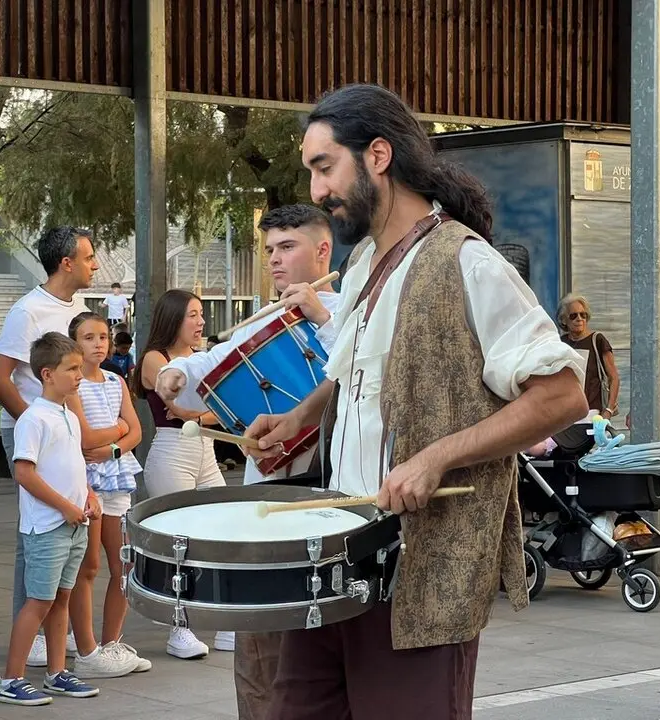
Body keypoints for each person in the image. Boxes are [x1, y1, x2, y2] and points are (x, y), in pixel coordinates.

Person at [241, 83, 588, 720]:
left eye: (325, 167)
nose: (317, 191)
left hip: (419, 571)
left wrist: (437, 458)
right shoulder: (365, 262)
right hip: (339, 555)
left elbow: (562, 395)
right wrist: (302, 416)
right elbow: (364, 374)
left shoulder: (468, 262)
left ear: (378, 155)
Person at [154, 204, 341, 720]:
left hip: (335, 496)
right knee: (261, 650)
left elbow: (365, 365)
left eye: (288, 247)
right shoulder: (265, 318)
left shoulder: (352, 312)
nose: (275, 260)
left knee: (330, 645)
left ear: (323, 250)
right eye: (269, 250)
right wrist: (178, 373)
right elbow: (213, 357)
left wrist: (322, 317)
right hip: (267, 497)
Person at [0, 226, 98, 668]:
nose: (95, 265)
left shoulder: (78, 306)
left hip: (64, 428)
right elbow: (2, 378)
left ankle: (57, 648)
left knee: (66, 528)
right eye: (90, 257)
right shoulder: (28, 311)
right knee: (36, 533)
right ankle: (31, 636)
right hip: (31, 425)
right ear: (66, 263)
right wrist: (36, 423)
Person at [0, 332, 101, 705]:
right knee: (38, 602)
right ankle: (11, 678)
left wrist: (87, 496)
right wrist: (64, 506)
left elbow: (75, 466)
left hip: (75, 523)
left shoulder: (68, 416)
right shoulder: (34, 419)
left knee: (61, 599)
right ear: (46, 374)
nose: (78, 375)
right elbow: (25, 472)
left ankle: (57, 673)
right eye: (71, 369)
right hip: (47, 526)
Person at [130, 289, 231, 660]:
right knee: (178, 545)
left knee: (224, 533)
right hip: (172, 451)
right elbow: (178, 405)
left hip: (206, 450)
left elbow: (218, 410)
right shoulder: (156, 358)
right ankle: (179, 629)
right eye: (193, 314)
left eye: (202, 313)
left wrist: (200, 415)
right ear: (173, 318)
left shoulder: (199, 358)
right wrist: (204, 413)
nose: (201, 321)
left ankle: (226, 626)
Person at [65, 312, 150, 676]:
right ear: (74, 343)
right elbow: (84, 437)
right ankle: (86, 649)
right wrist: (117, 430)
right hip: (85, 483)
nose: (99, 343)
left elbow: (137, 432)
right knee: (89, 566)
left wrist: (114, 445)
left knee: (123, 565)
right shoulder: (74, 384)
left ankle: (111, 643)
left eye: (103, 337)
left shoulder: (116, 380)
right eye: (89, 337)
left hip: (117, 480)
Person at [557, 293, 620, 419]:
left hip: (591, 413)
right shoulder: (560, 343)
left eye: (583, 315)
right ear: (564, 320)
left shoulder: (597, 340)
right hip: (565, 413)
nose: (579, 319)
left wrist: (608, 410)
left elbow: (614, 378)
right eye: (573, 316)